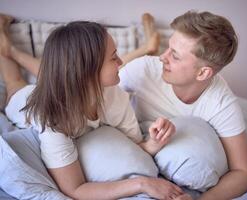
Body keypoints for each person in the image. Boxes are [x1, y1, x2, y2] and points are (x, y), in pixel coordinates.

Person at [0, 14, 186, 200]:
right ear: (87, 71)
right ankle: (5, 42)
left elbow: (134, 146)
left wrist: (154, 142)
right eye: (114, 58)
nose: (121, 63)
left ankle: (10, 48)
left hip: (64, 87)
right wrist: (142, 184)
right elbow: (75, 189)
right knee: (14, 83)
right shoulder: (52, 120)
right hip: (25, 100)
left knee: (48, 75)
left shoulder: (115, 96)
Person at [119, 11, 247, 200]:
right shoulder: (143, 70)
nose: (162, 57)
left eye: (174, 56)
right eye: (168, 48)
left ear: (202, 73)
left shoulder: (221, 103)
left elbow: (244, 171)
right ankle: (148, 44)